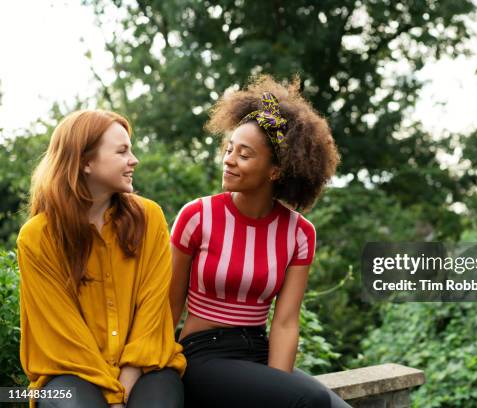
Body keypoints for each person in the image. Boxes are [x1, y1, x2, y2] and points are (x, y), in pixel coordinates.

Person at [169, 75, 351, 408]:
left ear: (275, 171)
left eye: (244, 154)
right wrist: (153, 374)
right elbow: (168, 306)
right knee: (309, 400)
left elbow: (284, 321)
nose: (229, 159)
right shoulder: (197, 216)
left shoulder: (299, 233)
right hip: (202, 354)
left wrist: (277, 389)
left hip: (257, 351)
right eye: (229, 149)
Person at [17, 110, 186, 407]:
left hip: (145, 368)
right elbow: (63, 335)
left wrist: (124, 385)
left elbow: (152, 310)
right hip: (70, 372)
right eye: (122, 151)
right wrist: (112, 396)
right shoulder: (37, 238)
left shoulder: (150, 219)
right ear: (84, 161)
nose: (134, 160)